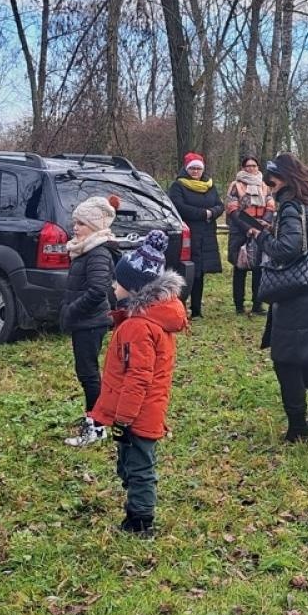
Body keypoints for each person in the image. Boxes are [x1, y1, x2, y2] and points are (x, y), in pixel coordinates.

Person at [89, 231, 185, 535]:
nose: (113, 286)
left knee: (140, 466)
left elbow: (138, 377)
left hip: (137, 414)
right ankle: (135, 510)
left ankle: (141, 520)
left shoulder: (138, 327)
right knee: (129, 462)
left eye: (118, 282)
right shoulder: (143, 322)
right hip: (137, 411)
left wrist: (124, 418)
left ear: (133, 288)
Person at [254, 153, 308, 443]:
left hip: (300, 295)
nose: (268, 185)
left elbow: (287, 249)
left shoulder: (292, 207)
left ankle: (298, 429)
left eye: (271, 179)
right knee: (300, 355)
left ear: (286, 178)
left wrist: (262, 237)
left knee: (285, 360)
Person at [60, 196, 119, 447]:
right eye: (75, 222)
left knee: (89, 374)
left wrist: (72, 311)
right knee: (86, 372)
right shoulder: (85, 249)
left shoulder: (97, 253)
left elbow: (97, 290)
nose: (75, 227)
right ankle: (93, 416)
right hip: (85, 320)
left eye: (81, 223)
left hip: (91, 321)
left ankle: (96, 426)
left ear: (94, 227)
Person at [169, 154, 222, 320]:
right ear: (186, 168)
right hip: (187, 233)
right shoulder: (178, 186)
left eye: (198, 168)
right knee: (185, 270)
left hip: (206, 233)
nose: (195, 171)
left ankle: (197, 309)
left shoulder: (210, 185)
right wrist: (202, 213)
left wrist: (212, 212)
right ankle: (179, 308)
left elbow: (220, 205)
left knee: (200, 272)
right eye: (192, 168)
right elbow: (178, 206)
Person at [225, 156, 273, 314]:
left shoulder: (264, 185)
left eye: (254, 165)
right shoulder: (236, 185)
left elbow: (271, 204)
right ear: (243, 167)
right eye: (248, 166)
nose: (251, 168)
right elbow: (232, 209)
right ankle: (239, 305)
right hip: (240, 231)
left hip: (261, 230)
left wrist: (265, 222)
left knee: (259, 268)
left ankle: (257, 304)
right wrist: (248, 228)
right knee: (240, 268)